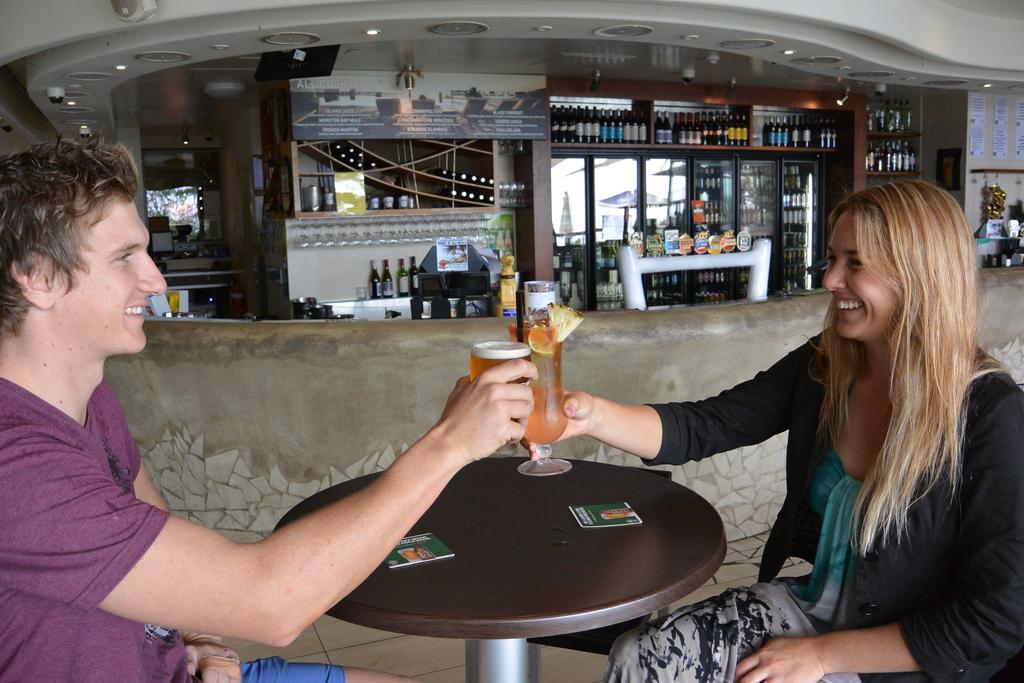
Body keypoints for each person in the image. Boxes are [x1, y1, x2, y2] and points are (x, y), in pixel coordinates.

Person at [0, 139, 536, 681]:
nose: (155, 281)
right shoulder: (17, 468)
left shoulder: (87, 396)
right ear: (40, 277)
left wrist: (201, 637)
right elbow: (272, 604)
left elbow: (153, 519)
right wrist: (451, 444)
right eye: (123, 258)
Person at [546, 180, 1024, 682]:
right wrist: (588, 414)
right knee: (638, 656)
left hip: (906, 656)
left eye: (855, 263)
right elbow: (705, 425)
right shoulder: (827, 366)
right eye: (833, 258)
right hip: (814, 611)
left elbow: (993, 621)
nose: (832, 279)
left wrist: (821, 658)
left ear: (919, 276)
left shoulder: (989, 411)